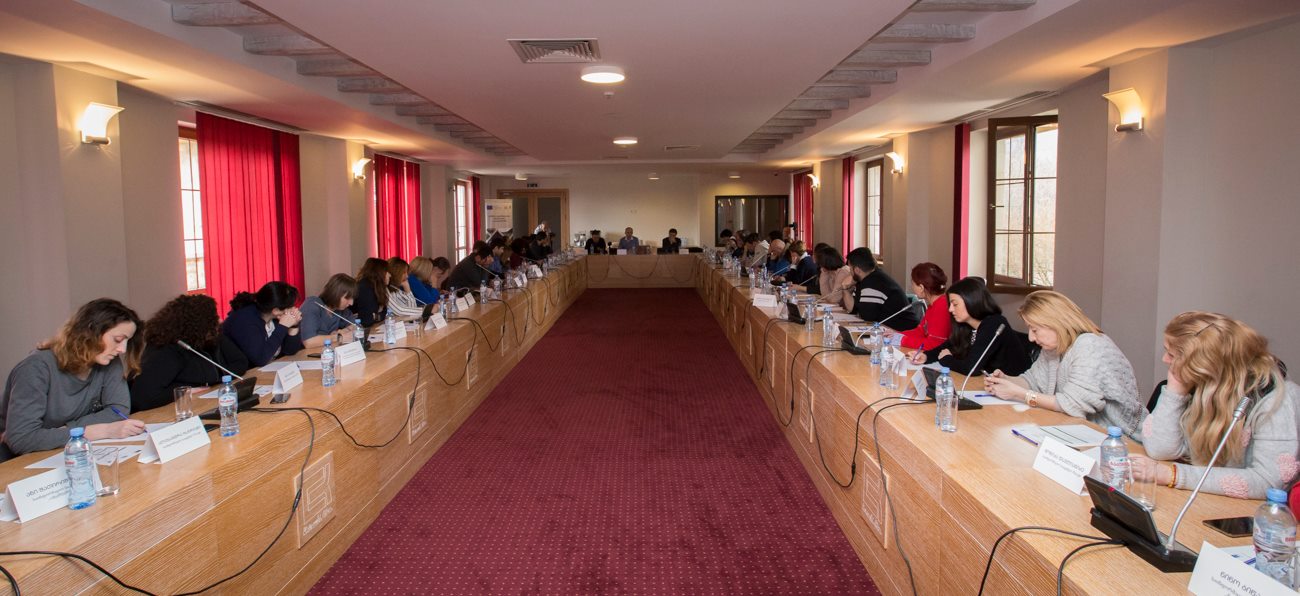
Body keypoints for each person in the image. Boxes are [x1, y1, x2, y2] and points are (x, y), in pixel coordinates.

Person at [1129, 312, 1300, 499]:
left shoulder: (1278, 400)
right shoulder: (1203, 388)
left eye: (1172, 354)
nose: (1165, 359)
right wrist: (1175, 388)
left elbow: (1268, 482)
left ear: (1204, 366)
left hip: (1251, 512)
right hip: (1208, 500)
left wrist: (1174, 475)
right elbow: (1160, 449)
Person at [1, 299, 146, 460]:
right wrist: (100, 430)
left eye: (127, 341)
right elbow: (22, 439)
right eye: (118, 339)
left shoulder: (110, 361)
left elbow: (118, 411)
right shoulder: (35, 368)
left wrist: (67, 430)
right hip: (22, 462)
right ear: (90, 331)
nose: (122, 349)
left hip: (67, 452)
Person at [983, 291, 1143, 436]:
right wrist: (1007, 380)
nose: (1031, 338)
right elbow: (1033, 381)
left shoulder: (1090, 346)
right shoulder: (1054, 347)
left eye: (1035, 330)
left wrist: (1019, 394)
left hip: (1122, 442)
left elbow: (1073, 404)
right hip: (1081, 433)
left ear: (1055, 323)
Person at [131, 294, 251, 412]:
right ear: (197, 325)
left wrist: (217, 381)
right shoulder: (166, 350)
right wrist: (185, 390)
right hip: (173, 412)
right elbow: (143, 398)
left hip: (205, 404)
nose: (219, 320)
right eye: (212, 318)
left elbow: (240, 362)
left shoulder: (205, 339)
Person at [914, 277, 1029, 376]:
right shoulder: (967, 325)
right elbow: (949, 345)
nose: (950, 309)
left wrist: (946, 359)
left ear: (972, 301)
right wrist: (926, 356)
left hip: (1013, 386)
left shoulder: (994, 323)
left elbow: (971, 368)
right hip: (989, 383)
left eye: (955, 304)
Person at [222, 281, 305, 368]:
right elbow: (261, 358)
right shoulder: (245, 320)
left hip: (270, 369)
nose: (293, 309)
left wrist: (293, 326)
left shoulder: (274, 317)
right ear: (275, 310)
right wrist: (283, 326)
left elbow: (290, 351)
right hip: (246, 372)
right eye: (290, 306)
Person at [837, 247, 919, 330]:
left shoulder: (874, 282)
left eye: (850, 268)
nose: (849, 272)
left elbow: (867, 316)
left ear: (857, 270)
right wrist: (845, 289)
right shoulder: (864, 280)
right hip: (888, 329)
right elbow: (852, 309)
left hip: (904, 331)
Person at [898, 263, 951, 351]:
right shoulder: (934, 304)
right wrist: (898, 335)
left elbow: (934, 344)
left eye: (913, 284)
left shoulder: (942, 306)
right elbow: (921, 331)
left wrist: (902, 340)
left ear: (921, 287)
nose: (912, 287)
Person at [298, 273, 359, 348]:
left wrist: (345, 330)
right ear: (335, 294)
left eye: (352, 298)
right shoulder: (312, 304)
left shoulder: (339, 308)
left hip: (325, 350)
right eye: (347, 298)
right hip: (305, 353)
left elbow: (356, 325)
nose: (351, 303)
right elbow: (308, 342)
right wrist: (338, 337)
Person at [352, 258, 390, 327]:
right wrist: (377, 316)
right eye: (387, 272)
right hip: (356, 329)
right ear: (379, 273)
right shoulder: (365, 288)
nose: (390, 275)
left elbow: (384, 312)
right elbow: (367, 320)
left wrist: (375, 316)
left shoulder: (377, 287)